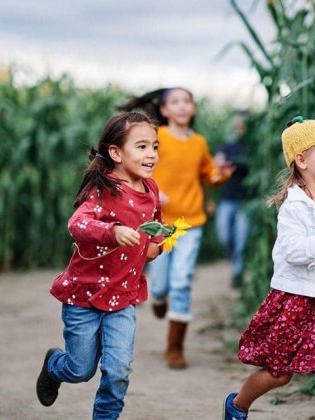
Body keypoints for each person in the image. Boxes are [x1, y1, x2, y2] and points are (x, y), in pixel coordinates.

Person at [223, 116, 315, 420]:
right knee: (279, 373)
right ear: (302, 160)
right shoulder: (295, 205)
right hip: (297, 300)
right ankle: (237, 404)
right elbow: (292, 251)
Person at [36, 112, 163, 419]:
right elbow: (78, 224)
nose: (151, 154)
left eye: (155, 147)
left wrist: (156, 246)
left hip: (123, 297)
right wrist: (113, 232)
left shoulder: (152, 190)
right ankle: (55, 366)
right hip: (85, 296)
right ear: (116, 153)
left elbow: (156, 226)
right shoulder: (104, 189)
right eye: (142, 146)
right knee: (80, 369)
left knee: (118, 370)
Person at [121, 87, 234, 369]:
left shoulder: (199, 143)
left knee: (182, 281)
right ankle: (158, 297)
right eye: (175, 102)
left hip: (190, 223)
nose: (182, 106)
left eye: (187, 101)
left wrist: (221, 176)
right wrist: (152, 192)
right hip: (159, 224)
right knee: (160, 285)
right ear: (164, 110)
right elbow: (135, 168)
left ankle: (175, 348)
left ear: (193, 108)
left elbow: (209, 175)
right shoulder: (157, 140)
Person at [214, 112, 254, 288]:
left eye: (243, 124)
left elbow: (250, 165)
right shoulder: (227, 145)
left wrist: (232, 164)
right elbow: (217, 163)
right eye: (238, 123)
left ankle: (237, 273)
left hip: (245, 201)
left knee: (242, 238)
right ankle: (231, 256)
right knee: (223, 235)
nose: (240, 127)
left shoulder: (253, 147)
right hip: (227, 198)